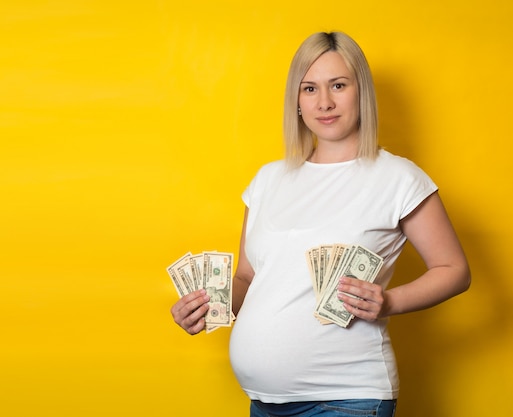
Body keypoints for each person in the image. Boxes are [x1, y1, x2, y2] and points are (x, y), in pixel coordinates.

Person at [171, 31, 471, 417]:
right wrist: (208, 304)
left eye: (339, 86)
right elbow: (248, 278)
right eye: (309, 88)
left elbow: (454, 270)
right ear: (296, 101)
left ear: (361, 92)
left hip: (346, 399)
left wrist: (389, 301)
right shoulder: (268, 180)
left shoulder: (397, 177)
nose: (324, 102)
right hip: (264, 404)